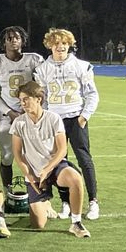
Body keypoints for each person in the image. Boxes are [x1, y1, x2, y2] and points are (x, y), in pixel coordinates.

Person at [33, 28, 100, 221]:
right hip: (55, 121)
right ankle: (66, 203)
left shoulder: (81, 66)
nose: (60, 47)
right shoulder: (43, 69)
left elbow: (92, 94)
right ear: (50, 45)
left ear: (69, 44)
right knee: (59, 163)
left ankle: (93, 201)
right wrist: (44, 118)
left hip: (75, 118)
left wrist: (84, 116)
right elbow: (42, 99)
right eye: (56, 43)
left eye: (63, 43)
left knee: (84, 160)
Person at [10, 82, 91, 238]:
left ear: (38, 99)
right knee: (38, 224)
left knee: (75, 179)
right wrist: (29, 176)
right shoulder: (19, 123)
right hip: (34, 172)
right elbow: (18, 154)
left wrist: (47, 169)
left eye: (26, 99)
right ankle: (45, 202)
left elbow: (62, 150)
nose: (23, 103)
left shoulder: (53, 119)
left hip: (54, 167)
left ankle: (76, 223)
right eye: (21, 100)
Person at [0, 26, 44, 187]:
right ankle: (8, 190)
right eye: (9, 38)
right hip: (6, 114)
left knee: (34, 154)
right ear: (3, 42)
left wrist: (31, 111)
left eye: (17, 37)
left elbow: (41, 88)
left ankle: (37, 192)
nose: (13, 40)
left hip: (30, 114)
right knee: (7, 155)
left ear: (23, 40)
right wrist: (10, 112)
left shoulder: (34, 60)